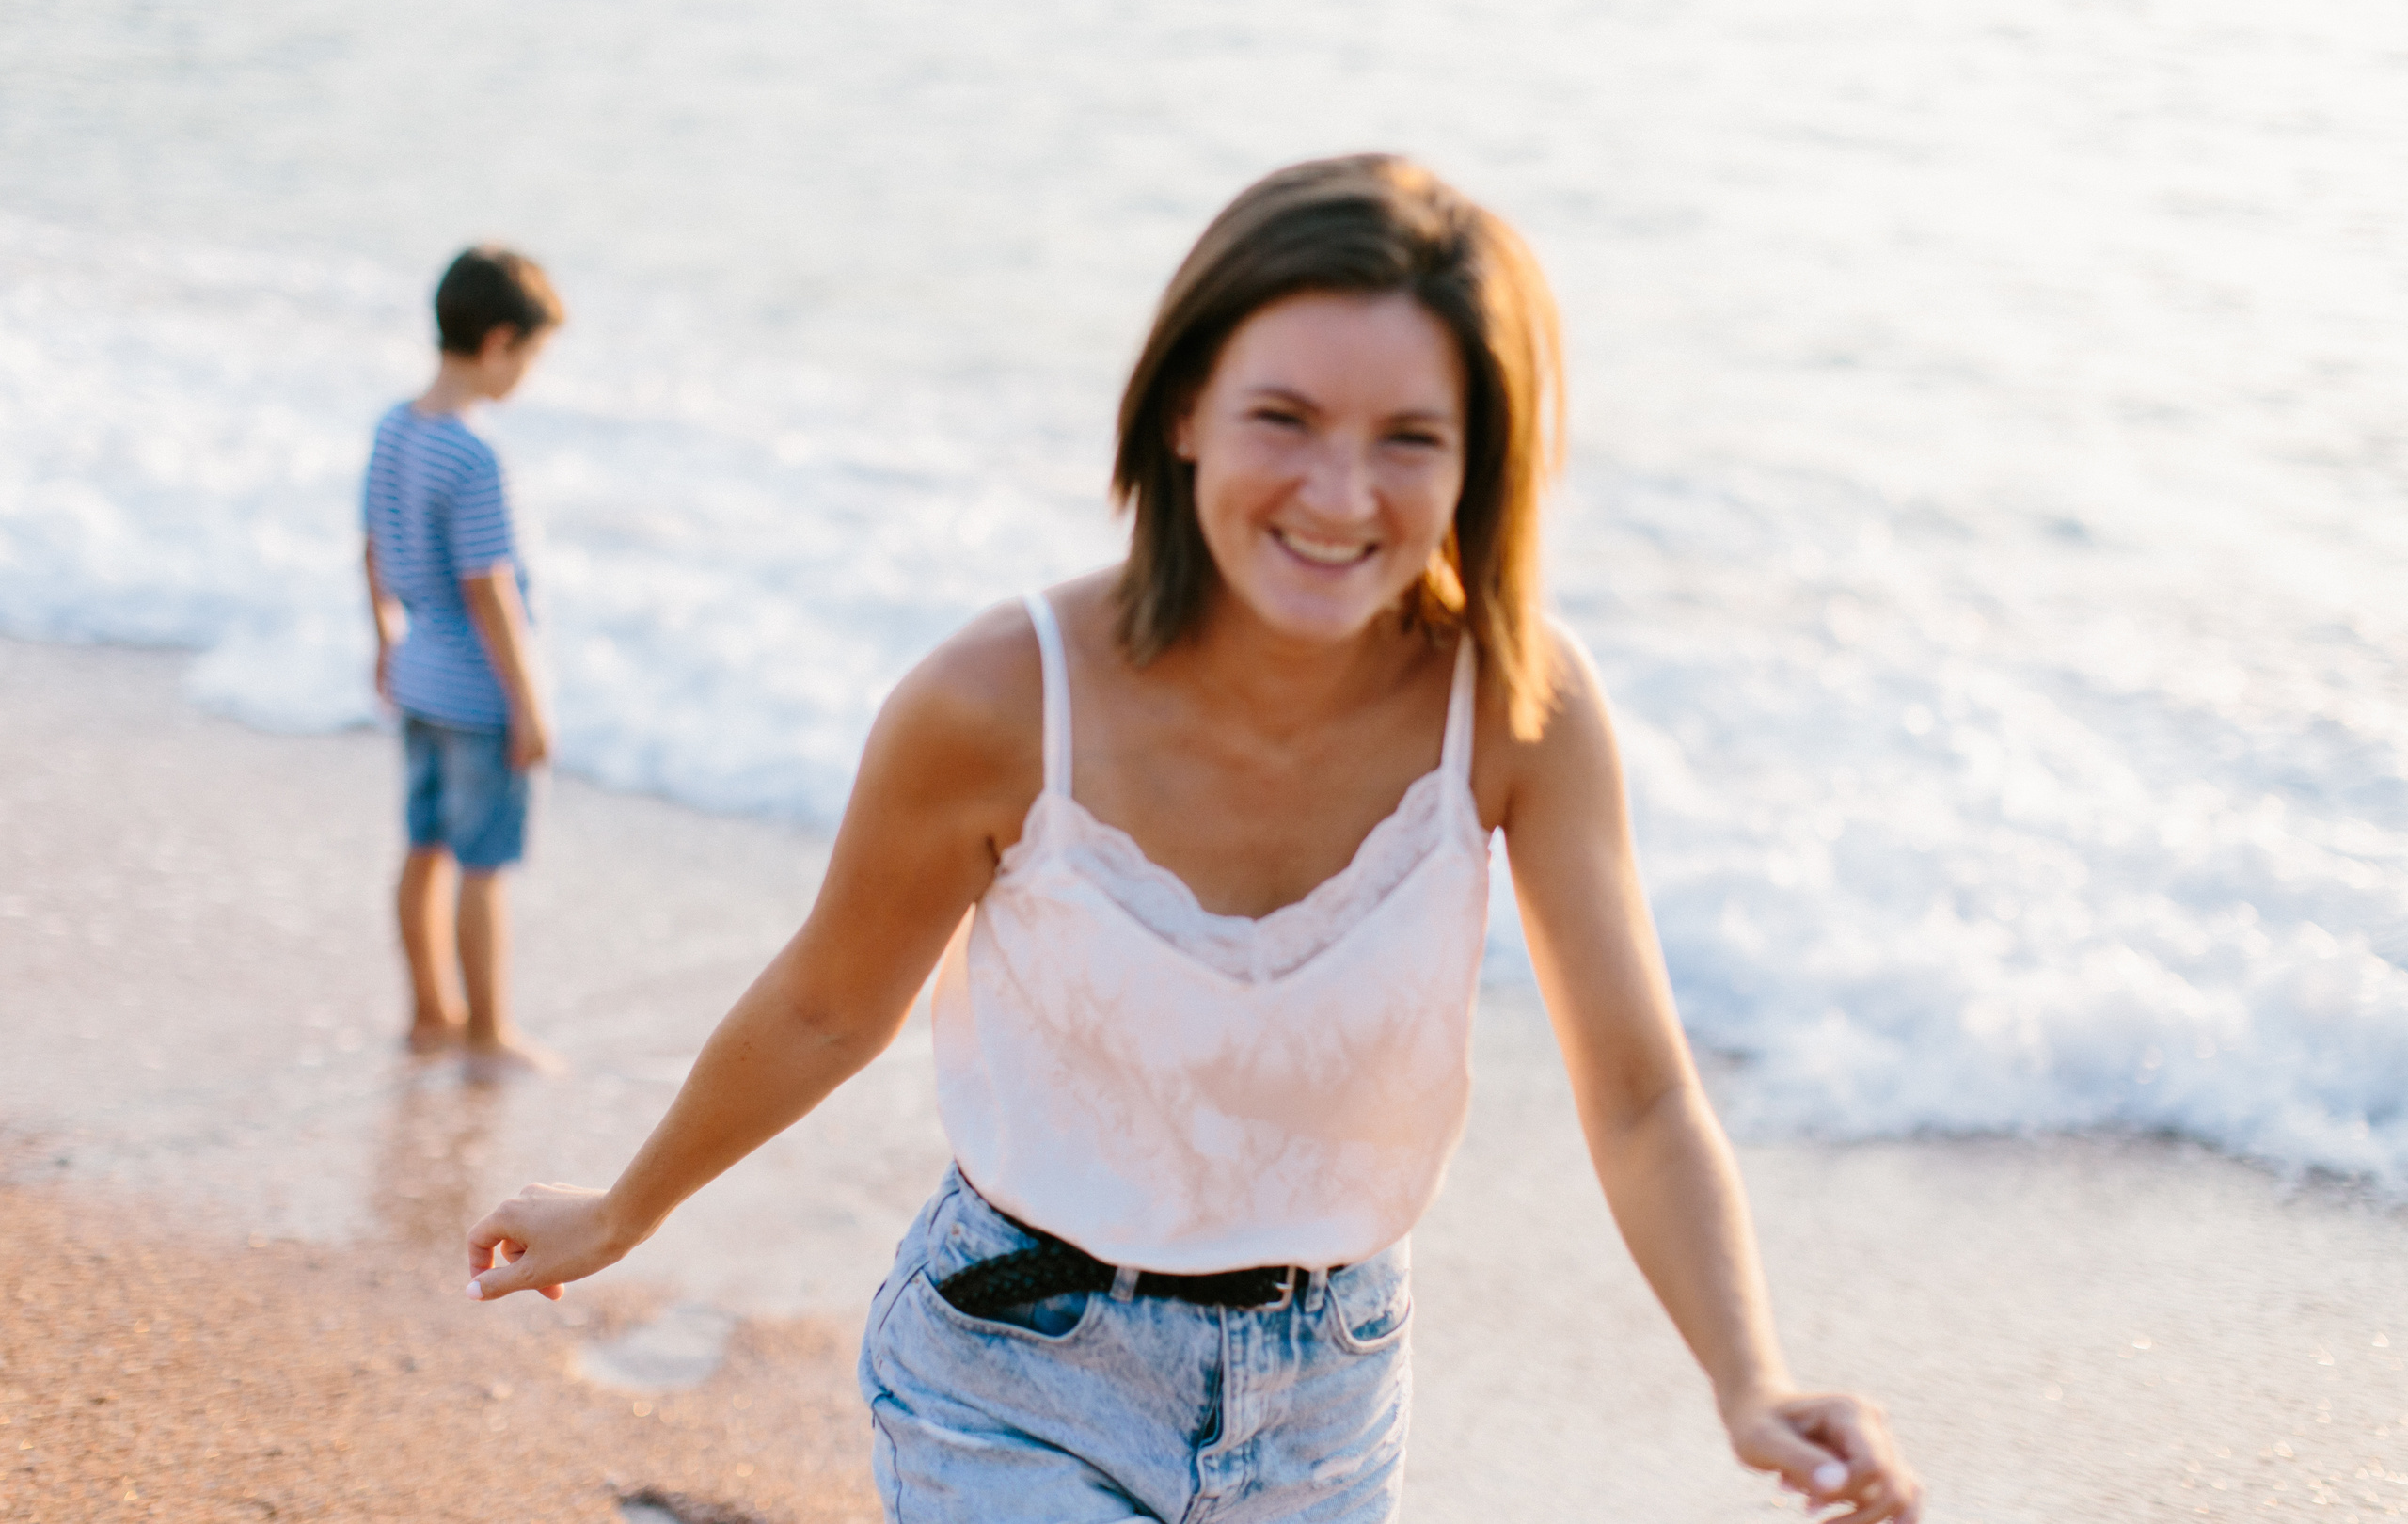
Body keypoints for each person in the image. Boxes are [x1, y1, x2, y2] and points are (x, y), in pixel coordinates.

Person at [464, 158, 1923, 1521]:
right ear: (1182, 412)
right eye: (1283, 418)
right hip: (1014, 1367)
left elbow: (1641, 1092)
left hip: (1332, 1392)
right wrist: (624, 1208)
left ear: (1480, 463)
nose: (1342, 495)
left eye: (1410, 438)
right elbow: (829, 1001)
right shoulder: (996, 700)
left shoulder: (1521, 708)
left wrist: (1751, 1374)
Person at [363, 245, 564, 1077]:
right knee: (483, 864)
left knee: (422, 848)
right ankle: (488, 1029)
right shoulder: (476, 455)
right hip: (477, 692)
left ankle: (427, 1014)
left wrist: (384, 641)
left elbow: (372, 549)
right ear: (497, 343)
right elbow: (492, 592)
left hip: (417, 674)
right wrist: (529, 700)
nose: (526, 376)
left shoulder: (396, 426)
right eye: (530, 357)